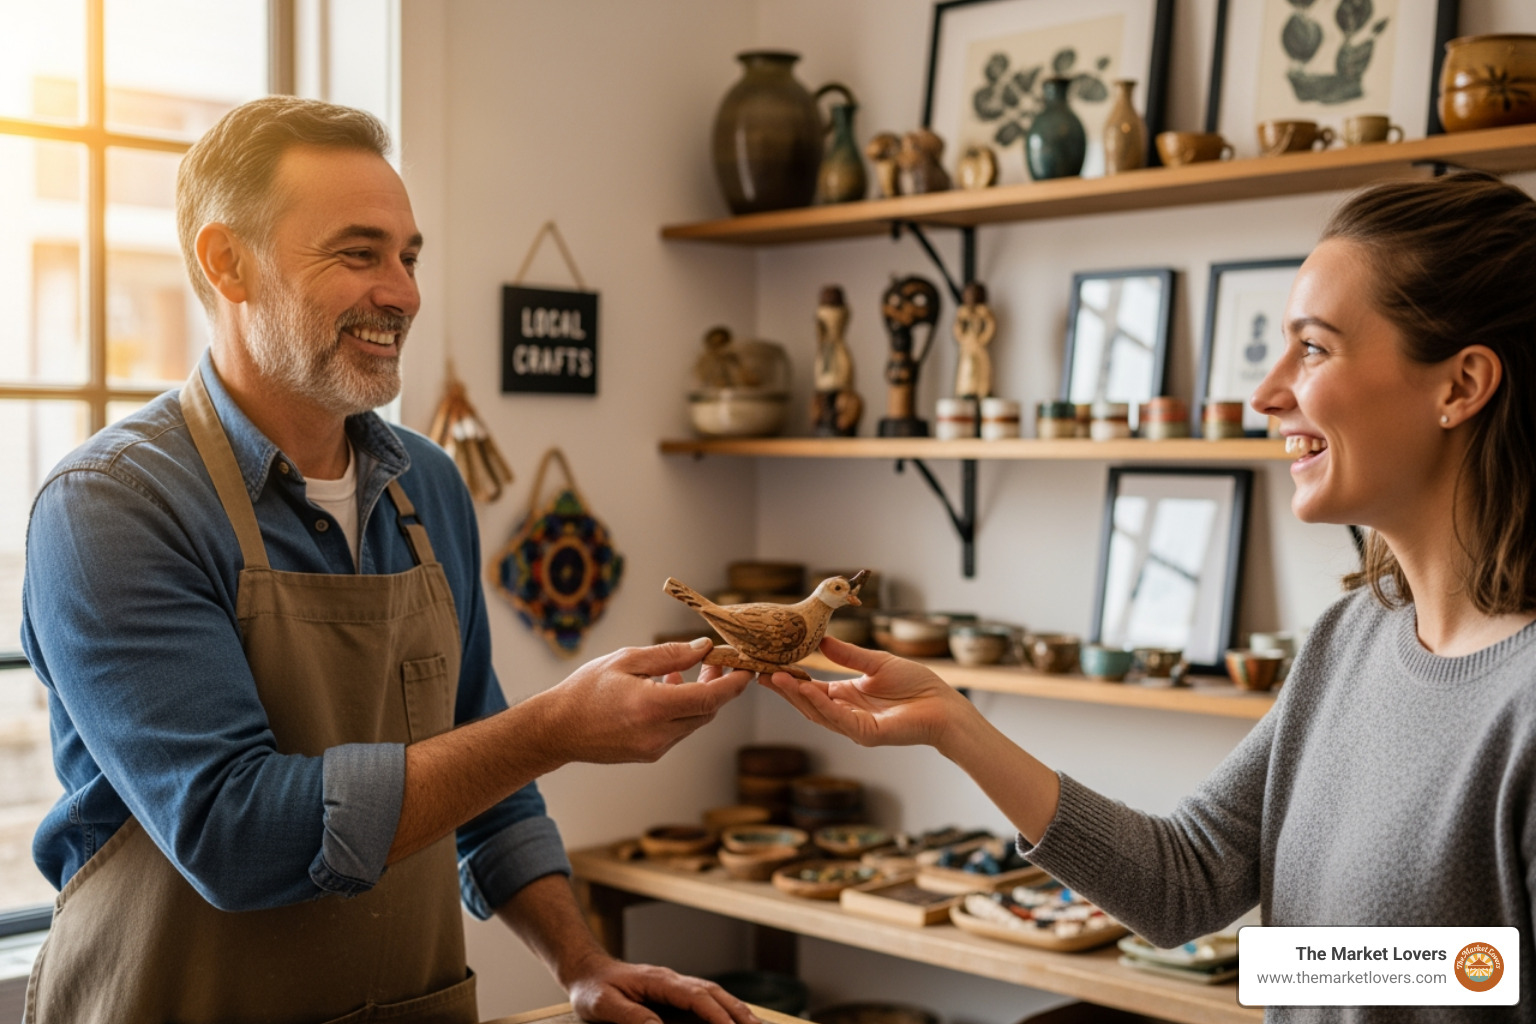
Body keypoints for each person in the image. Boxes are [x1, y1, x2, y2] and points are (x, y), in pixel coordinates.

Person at [20, 96, 756, 1024]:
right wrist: (554, 728)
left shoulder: (431, 490)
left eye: (409, 256)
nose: (403, 292)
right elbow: (231, 832)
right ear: (227, 263)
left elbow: (485, 782)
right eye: (358, 254)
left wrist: (582, 962)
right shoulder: (114, 505)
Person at [765, 171, 1536, 1022]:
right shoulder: (1347, 642)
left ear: (1460, 386)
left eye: (1313, 349)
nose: (1265, 393)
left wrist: (1306, 968)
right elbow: (1186, 881)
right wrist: (955, 725)